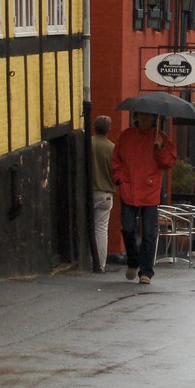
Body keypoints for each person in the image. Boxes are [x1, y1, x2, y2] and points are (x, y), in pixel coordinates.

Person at [111, 112, 177, 285]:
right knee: (128, 229)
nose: (146, 120)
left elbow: (168, 163)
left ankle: (146, 271)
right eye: (143, 116)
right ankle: (133, 261)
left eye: (149, 117)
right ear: (137, 117)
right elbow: (116, 160)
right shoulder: (126, 136)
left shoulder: (159, 138)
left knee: (149, 233)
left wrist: (159, 148)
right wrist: (120, 179)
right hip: (129, 189)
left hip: (149, 191)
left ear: (154, 119)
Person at [91, 115, 116, 273]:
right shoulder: (112, 148)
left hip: (88, 192)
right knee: (101, 229)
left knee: (86, 226)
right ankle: (100, 264)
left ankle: (86, 260)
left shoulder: (89, 143)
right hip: (105, 192)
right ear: (109, 129)